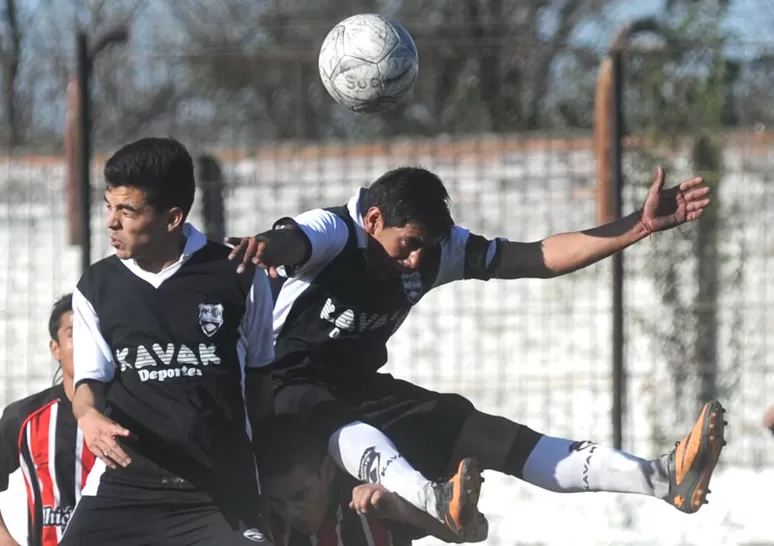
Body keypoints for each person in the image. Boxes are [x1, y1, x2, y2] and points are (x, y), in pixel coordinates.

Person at [227, 165, 726, 542]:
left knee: (487, 434)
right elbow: (294, 239)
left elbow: (537, 257)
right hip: (284, 388)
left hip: (361, 389)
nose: (417, 259)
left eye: (426, 247)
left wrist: (635, 227)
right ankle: (431, 500)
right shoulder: (336, 231)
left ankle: (660, 478)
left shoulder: (438, 252)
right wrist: (266, 246)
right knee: (329, 414)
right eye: (407, 244)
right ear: (373, 219)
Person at [60, 137, 276, 546]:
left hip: (217, 495)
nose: (111, 222)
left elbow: (262, 382)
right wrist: (88, 418)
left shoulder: (239, 275)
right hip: (125, 492)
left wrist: (265, 471)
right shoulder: (96, 286)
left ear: (172, 218)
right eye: (109, 206)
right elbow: (89, 382)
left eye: (127, 210)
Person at [0, 294, 96, 546]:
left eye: (92, 332)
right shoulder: (26, 417)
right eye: (73, 333)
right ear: (55, 349)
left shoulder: (131, 411)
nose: (86, 342)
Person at [257, 414, 484, 546]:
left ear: (327, 471)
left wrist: (400, 510)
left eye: (300, 496)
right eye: (278, 501)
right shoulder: (267, 525)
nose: (290, 511)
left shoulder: (374, 500)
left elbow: (468, 533)